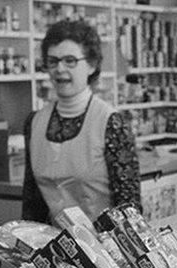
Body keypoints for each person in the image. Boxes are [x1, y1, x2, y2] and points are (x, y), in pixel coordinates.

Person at [22, 20, 140, 223]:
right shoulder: (35, 122)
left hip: (104, 248)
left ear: (92, 65)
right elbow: (33, 204)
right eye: (53, 61)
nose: (59, 69)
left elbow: (130, 210)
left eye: (70, 61)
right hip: (54, 248)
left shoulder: (111, 123)